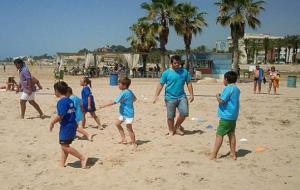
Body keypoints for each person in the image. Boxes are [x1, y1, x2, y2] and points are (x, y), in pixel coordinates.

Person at [153, 55, 194, 136]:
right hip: (170, 98)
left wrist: (191, 94)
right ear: (171, 63)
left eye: (178, 63)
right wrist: (156, 95)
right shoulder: (166, 73)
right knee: (170, 116)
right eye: (175, 63)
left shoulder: (184, 72)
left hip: (182, 96)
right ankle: (171, 130)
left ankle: (176, 127)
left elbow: (189, 83)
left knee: (184, 113)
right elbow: (161, 84)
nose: (177, 64)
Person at [50, 81, 88, 168]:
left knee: (64, 146)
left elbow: (61, 115)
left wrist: (52, 122)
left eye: (54, 90)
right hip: (72, 125)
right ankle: (62, 164)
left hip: (66, 126)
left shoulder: (61, 102)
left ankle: (82, 158)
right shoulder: (70, 100)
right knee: (65, 145)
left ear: (57, 91)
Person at [210, 71, 240, 160]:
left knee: (219, 135)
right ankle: (233, 154)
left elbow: (222, 101)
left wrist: (217, 96)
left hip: (226, 117)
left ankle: (214, 155)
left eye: (224, 79)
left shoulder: (228, 88)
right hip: (233, 117)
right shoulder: (236, 89)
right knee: (231, 135)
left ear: (226, 79)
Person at [100, 77, 137, 148]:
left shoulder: (123, 93)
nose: (118, 85)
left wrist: (103, 105)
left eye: (119, 84)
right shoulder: (129, 91)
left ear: (124, 85)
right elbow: (135, 99)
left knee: (129, 128)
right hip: (123, 113)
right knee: (117, 124)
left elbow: (114, 102)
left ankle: (134, 143)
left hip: (128, 114)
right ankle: (124, 139)